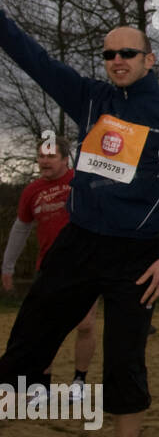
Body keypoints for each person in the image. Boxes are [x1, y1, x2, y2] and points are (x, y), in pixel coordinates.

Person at [0, 14, 159, 437]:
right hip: (78, 245)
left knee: (124, 361)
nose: (116, 61)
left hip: (136, 256)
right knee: (26, 344)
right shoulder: (91, 99)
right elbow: (34, 58)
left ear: (148, 60)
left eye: (126, 53)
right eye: (109, 54)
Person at [2, 136, 98, 401]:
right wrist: (7, 266)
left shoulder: (81, 182)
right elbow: (20, 229)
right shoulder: (31, 191)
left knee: (85, 324)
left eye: (50, 156)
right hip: (48, 267)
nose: (44, 161)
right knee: (43, 328)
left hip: (84, 266)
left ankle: (79, 381)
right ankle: (42, 385)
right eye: (41, 156)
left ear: (65, 159)